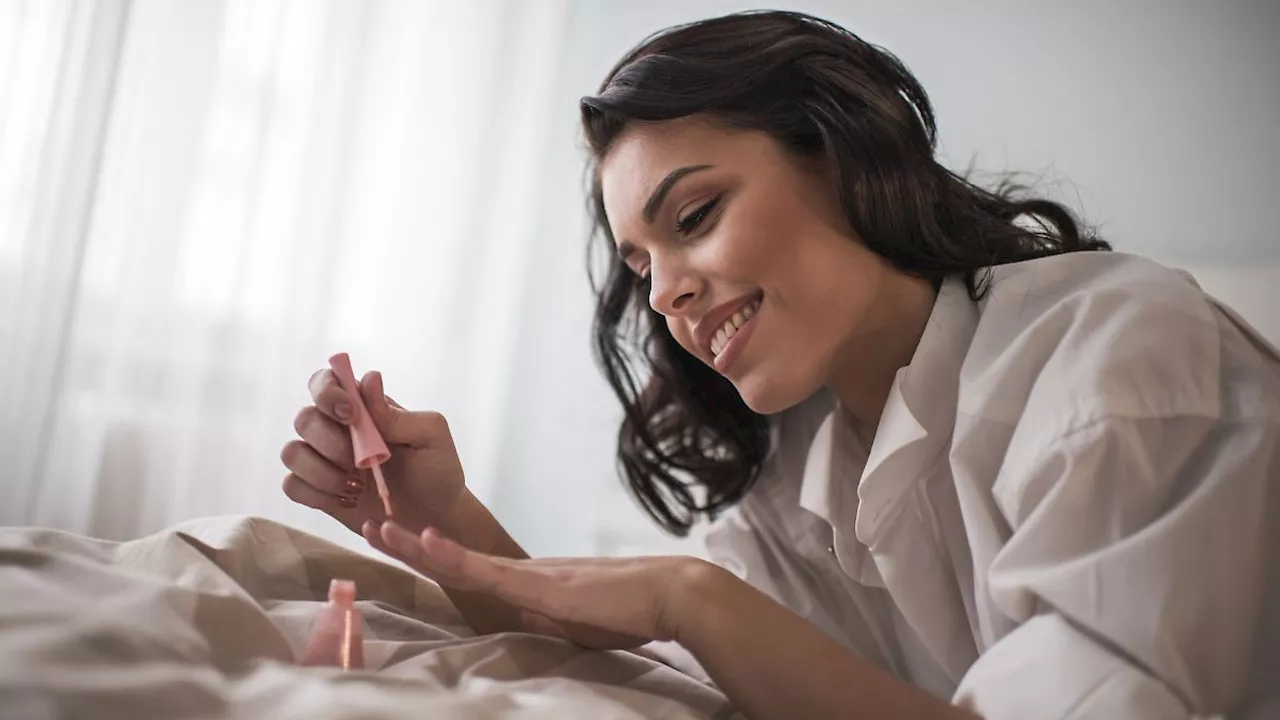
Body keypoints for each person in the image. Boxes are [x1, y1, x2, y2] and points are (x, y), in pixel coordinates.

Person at [278, 10, 1279, 719]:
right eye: (640, 264)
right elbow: (660, 655)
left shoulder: (1120, 362)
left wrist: (690, 594)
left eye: (695, 216)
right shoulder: (805, 465)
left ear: (840, 153)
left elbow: (693, 616)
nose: (663, 292)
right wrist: (434, 516)